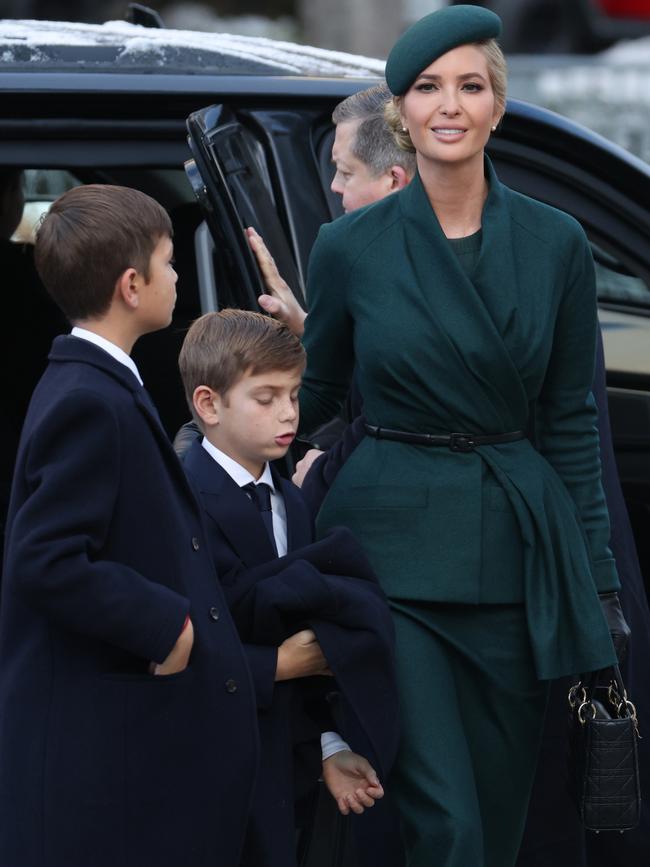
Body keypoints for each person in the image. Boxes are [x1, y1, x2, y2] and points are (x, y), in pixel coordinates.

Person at [295, 6, 628, 867]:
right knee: (450, 825)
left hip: (516, 561)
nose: (450, 105)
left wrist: (596, 580)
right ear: (401, 112)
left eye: (470, 86)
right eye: (428, 88)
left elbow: (569, 423)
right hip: (392, 561)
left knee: (500, 818)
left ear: (497, 107)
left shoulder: (557, 244)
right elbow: (321, 397)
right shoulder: (349, 248)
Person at [0, 185, 259, 867]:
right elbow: (46, 559)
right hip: (108, 763)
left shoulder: (100, 382)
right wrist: (164, 623)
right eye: (171, 263)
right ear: (131, 284)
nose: (179, 278)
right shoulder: (87, 398)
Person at [177, 308, 400, 867]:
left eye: (295, 395)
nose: (289, 413)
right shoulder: (179, 502)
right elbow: (180, 641)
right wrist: (275, 664)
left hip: (282, 771)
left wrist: (328, 745)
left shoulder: (292, 499)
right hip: (203, 767)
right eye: (266, 397)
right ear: (209, 405)